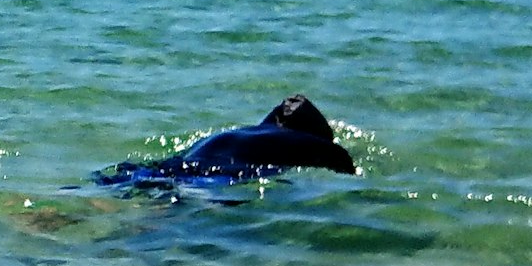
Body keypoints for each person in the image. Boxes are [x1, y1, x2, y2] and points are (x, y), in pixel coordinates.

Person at [100, 94, 361, 184]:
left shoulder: (243, 132)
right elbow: (344, 165)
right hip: (219, 174)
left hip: (183, 163)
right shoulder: (309, 143)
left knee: (138, 184)